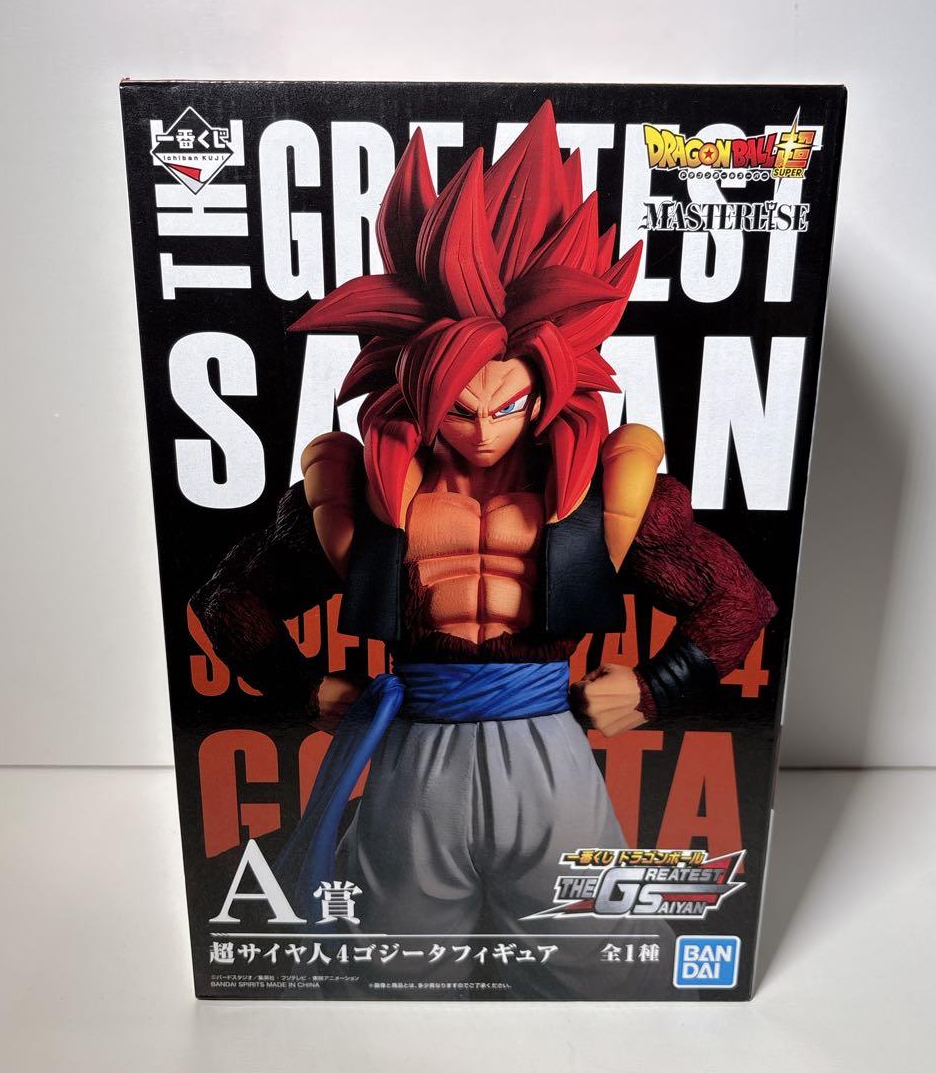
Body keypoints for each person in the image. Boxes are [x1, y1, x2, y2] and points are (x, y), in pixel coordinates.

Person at [191, 102, 776, 997]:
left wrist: (659, 687)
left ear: (549, 386)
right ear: (420, 389)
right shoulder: (369, 493)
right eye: (461, 409)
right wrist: (303, 687)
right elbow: (226, 601)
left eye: (508, 406)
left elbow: (739, 601)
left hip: (547, 743)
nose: (486, 430)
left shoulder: (595, 491)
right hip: (415, 749)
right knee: (395, 968)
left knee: (602, 968)